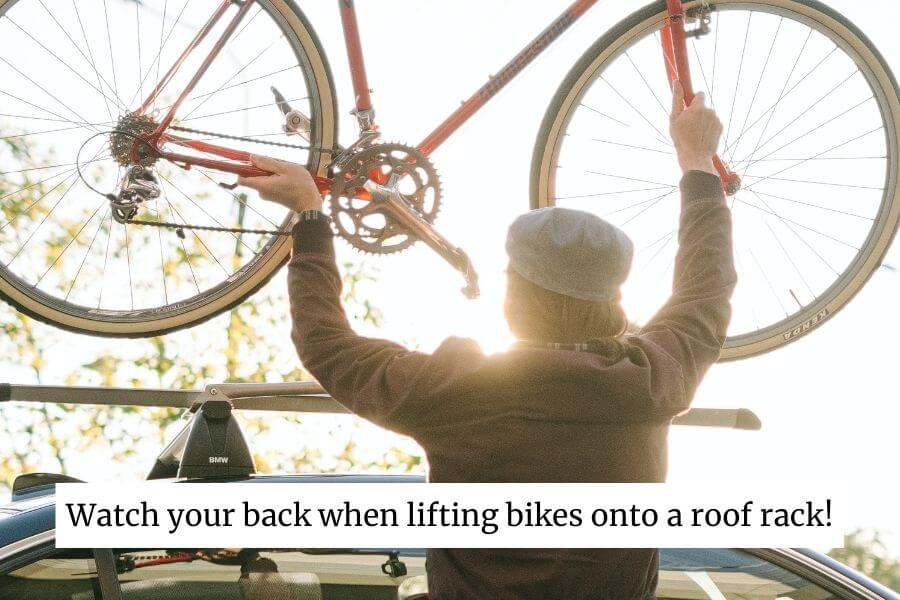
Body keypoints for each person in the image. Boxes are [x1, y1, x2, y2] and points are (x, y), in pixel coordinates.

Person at [238, 81, 735, 600]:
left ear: (513, 299)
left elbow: (327, 344)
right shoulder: (651, 381)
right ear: (613, 299)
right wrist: (697, 161)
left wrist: (312, 216)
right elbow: (707, 287)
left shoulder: (454, 388)